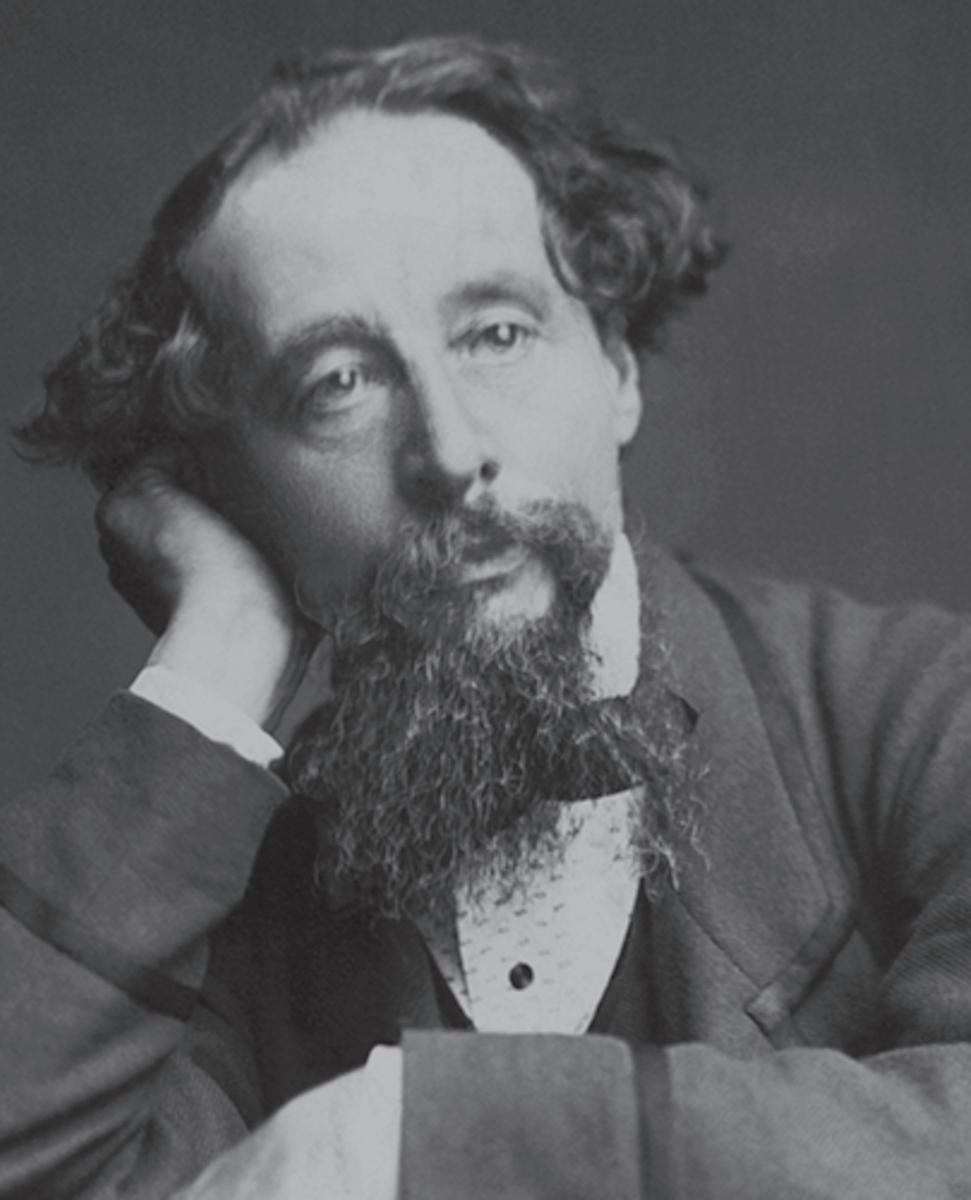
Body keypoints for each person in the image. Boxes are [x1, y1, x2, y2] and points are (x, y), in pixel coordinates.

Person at [3, 34, 971, 1199]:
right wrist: (220, 648)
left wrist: (409, 1138)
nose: (452, 450)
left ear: (616, 366)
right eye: (338, 384)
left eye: (496, 333)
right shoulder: (243, 913)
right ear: (233, 493)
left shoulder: (924, 717)